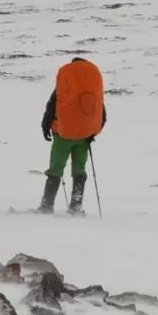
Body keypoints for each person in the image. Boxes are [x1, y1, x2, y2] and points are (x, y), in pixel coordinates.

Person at [39, 57, 107, 215]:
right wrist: (92, 132)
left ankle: (47, 206)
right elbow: (101, 115)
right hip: (84, 137)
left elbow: (51, 107)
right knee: (79, 169)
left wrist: (45, 127)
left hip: (63, 135)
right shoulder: (91, 90)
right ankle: (76, 206)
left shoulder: (65, 86)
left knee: (55, 169)